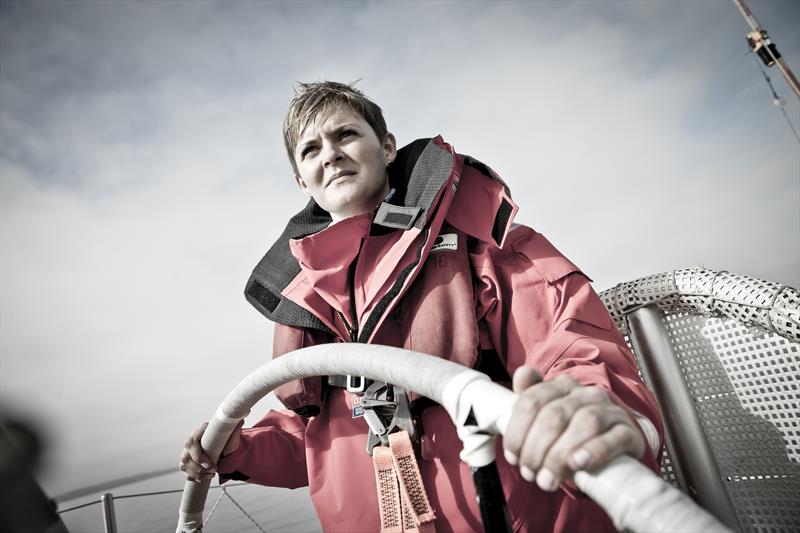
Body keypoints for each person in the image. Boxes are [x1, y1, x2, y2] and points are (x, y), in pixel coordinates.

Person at [180, 81, 664, 533]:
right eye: (311, 149)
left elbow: (574, 350)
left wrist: (594, 410)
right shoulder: (307, 302)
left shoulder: (487, 249)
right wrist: (239, 449)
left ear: (387, 147)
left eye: (345, 134)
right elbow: (320, 441)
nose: (330, 155)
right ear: (301, 181)